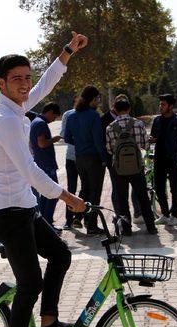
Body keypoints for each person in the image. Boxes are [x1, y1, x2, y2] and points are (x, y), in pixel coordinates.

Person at [0, 32, 88, 327]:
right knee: (30, 282)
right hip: (5, 216)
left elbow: (44, 85)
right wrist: (67, 197)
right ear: (1, 84)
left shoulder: (16, 107)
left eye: (27, 78)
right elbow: (30, 171)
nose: (26, 85)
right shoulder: (3, 119)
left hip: (24, 209)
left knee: (61, 256)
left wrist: (67, 52)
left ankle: (47, 324)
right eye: (17, 80)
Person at [105, 96, 157, 235]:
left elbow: (110, 150)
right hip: (137, 167)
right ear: (129, 109)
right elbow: (144, 145)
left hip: (119, 168)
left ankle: (126, 230)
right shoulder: (138, 124)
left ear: (115, 109)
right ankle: (151, 227)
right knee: (142, 197)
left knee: (122, 199)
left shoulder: (110, 127)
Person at [64, 85, 107, 235]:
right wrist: (104, 158)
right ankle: (92, 226)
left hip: (79, 158)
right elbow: (98, 140)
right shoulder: (94, 115)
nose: (98, 102)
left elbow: (67, 137)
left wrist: (81, 143)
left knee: (84, 188)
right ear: (93, 99)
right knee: (95, 192)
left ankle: (78, 215)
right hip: (94, 158)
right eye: (98, 99)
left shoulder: (72, 116)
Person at [101, 95, 142, 224]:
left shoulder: (111, 126)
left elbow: (108, 148)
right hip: (120, 164)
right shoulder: (105, 120)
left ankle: (134, 215)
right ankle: (120, 216)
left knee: (131, 190)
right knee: (119, 192)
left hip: (119, 162)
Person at [150, 94, 177, 226]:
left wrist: (176, 152)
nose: (161, 106)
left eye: (163, 104)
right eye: (160, 104)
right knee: (159, 188)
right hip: (159, 158)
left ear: (171, 106)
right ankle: (165, 214)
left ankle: (175, 216)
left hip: (172, 159)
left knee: (174, 188)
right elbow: (153, 136)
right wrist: (152, 139)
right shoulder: (157, 120)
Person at [30, 102, 62, 228]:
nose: (53, 120)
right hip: (46, 165)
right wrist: (54, 139)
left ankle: (43, 222)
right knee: (53, 194)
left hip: (41, 163)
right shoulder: (41, 123)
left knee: (45, 195)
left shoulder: (35, 121)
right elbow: (42, 143)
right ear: (49, 112)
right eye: (54, 117)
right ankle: (47, 223)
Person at [60, 96, 83, 230]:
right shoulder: (68, 114)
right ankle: (68, 220)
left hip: (84, 157)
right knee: (71, 188)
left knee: (85, 188)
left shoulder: (88, 113)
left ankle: (79, 217)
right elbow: (63, 133)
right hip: (71, 156)